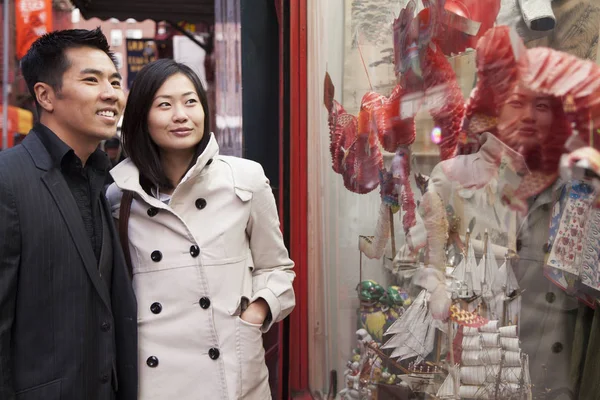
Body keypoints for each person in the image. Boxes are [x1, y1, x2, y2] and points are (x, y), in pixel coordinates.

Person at [106, 59, 295, 399]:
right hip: (156, 377)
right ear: (141, 118)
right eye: (164, 104)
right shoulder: (120, 197)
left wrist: (257, 312)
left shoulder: (245, 180)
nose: (181, 115)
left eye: (190, 101)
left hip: (231, 370)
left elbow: (277, 268)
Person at [0, 28, 137, 399]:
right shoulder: (8, 179)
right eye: (91, 80)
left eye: (114, 80)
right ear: (45, 95)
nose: (111, 93)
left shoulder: (109, 183)